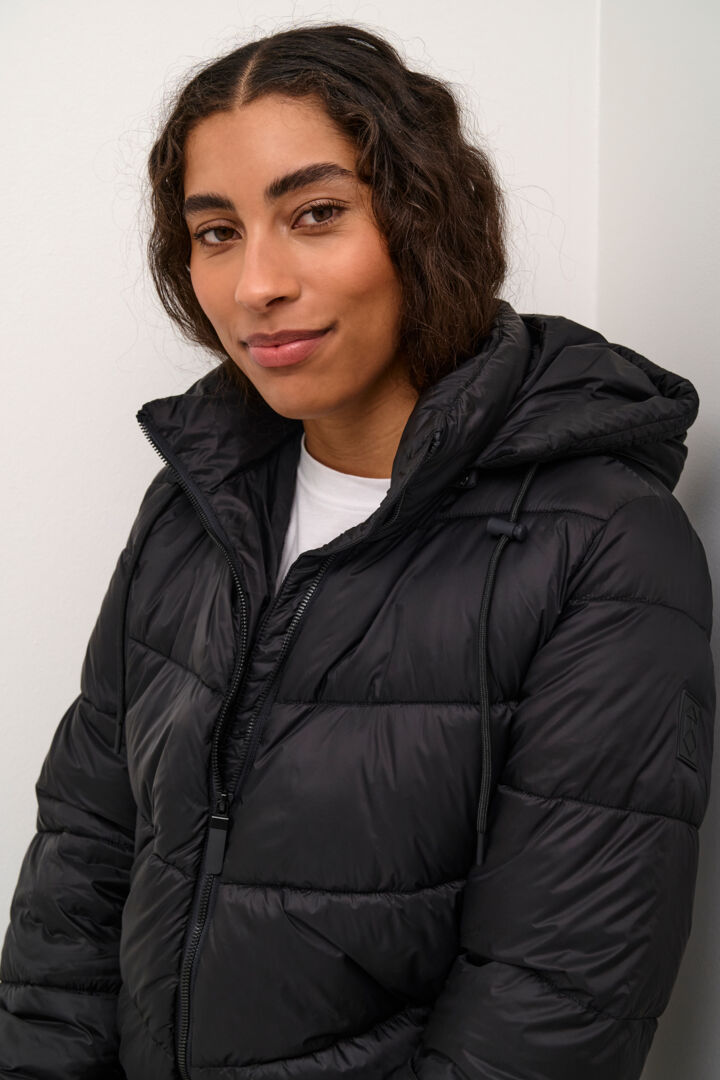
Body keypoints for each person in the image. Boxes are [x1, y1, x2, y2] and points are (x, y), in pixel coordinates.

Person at [0, 21, 715, 1080]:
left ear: (426, 219)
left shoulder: (603, 543)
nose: (256, 284)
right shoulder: (194, 506)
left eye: (316, 214)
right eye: (216, 232)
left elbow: (554, 1004)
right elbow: (82, 859)